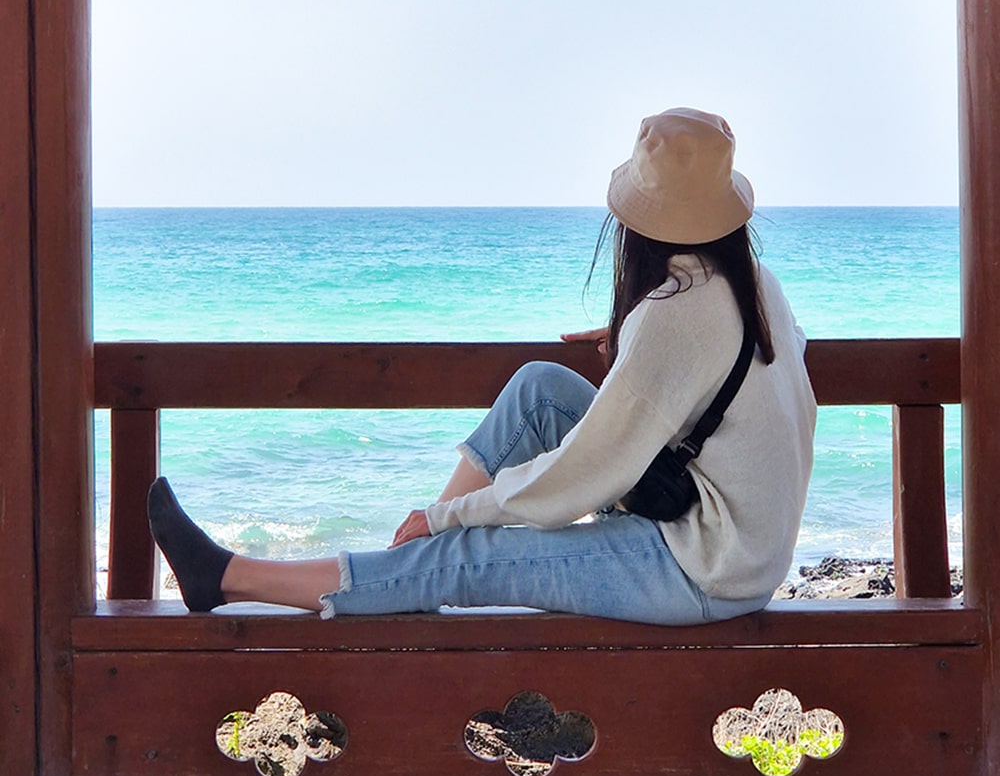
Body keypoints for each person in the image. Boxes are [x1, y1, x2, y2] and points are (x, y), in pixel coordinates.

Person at [148, 108, 816, 625]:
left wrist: (456, 515)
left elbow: (585, 475)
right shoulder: (757, 284)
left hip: (704, 571)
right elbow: (738, 364)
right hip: (747, 546)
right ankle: (398, 574)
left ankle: (232, 578)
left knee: (470, 553)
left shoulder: (673, 315)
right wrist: (633, 339)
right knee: (539, 390)